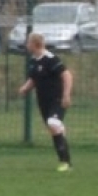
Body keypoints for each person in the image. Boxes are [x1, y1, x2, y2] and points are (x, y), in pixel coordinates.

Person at [18, 33, 74, 172]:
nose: (26, 45)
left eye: (28, 43)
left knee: (53, 124)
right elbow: (34, 79)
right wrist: (25, 88)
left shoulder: (51, 59)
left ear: (35, 44)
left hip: (57, 99)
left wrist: (66, 95)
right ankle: (65, 161)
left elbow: (67, 75)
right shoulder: (34, 61)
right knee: (54, 128)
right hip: (43, 102)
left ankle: (65, 162)